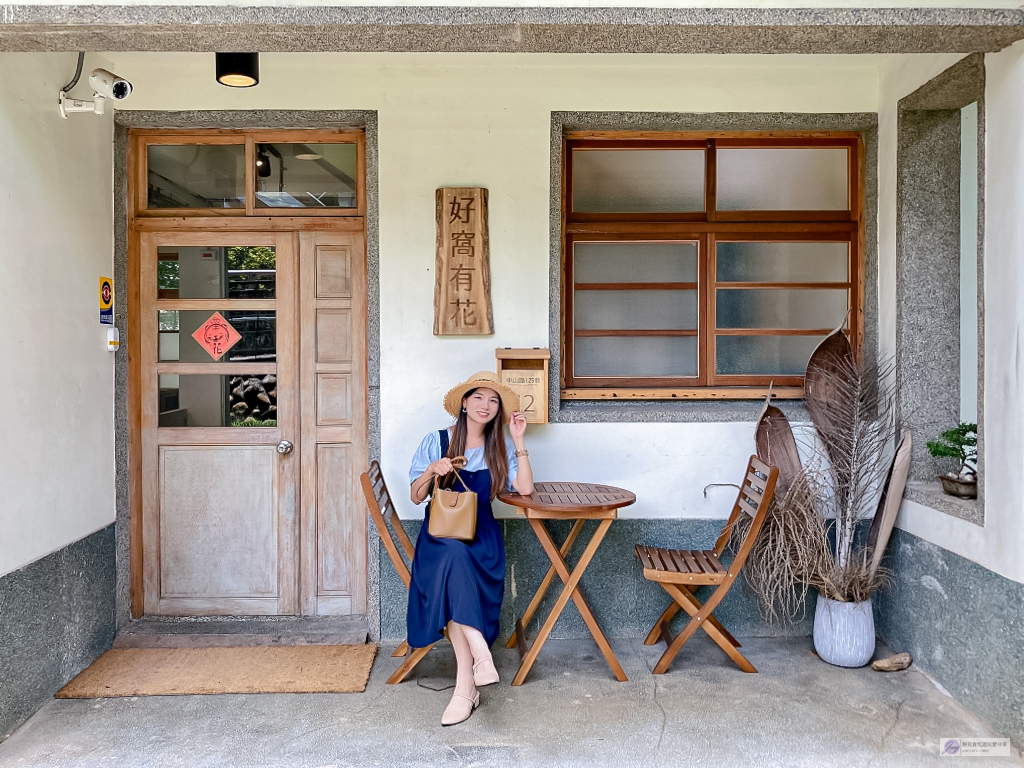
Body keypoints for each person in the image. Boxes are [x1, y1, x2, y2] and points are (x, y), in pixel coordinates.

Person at [408, 371, 534, 726]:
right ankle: (475, 663)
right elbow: (416, 496)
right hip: (440, 536)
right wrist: (433, 470)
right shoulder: (436, 441)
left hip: (483, 538)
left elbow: (524, 489)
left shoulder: (500, 446)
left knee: (457, 566)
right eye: (479, 397)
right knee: (453, 556)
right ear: (464, 403)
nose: (486, 405)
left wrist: (519, 439)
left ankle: (468, 685)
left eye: (493, 401)